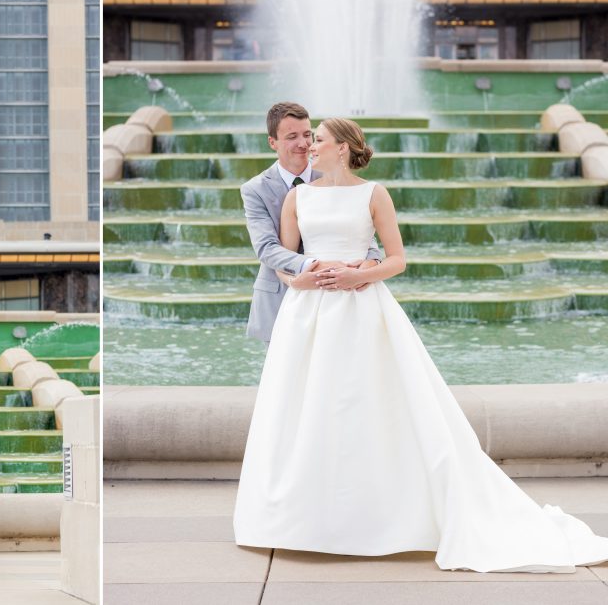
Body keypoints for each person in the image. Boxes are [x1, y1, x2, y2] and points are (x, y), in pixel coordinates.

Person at [233, 117, 608, 572]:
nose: (310, 146)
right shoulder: (295, 197)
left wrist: (358, 275)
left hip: (361, 310)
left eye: (319, 140)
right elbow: (282, 264)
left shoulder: (374, 194)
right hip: (306, 314)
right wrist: (303, 280)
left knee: (365, 404)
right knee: (304, 407)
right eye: (307, 139)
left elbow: (396, 259)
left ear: (344, 149)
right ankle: (301, 517)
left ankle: (382, 515)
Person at [241, 102, 381, 346]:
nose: (304, 144)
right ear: (272, 142)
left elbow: (363, 232)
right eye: (292, 136)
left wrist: (369, 265)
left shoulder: (335, 174)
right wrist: (312, 269)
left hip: (342, 294)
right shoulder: (255, 189)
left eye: (308, 134)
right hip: (283, 294)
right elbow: (266, 248)